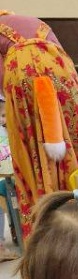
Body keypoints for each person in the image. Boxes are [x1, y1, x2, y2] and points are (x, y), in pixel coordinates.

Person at [0, 11, 78, 237]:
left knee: (34, 151)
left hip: (22, 76)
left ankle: (51, 220)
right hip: (63, 72)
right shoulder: (32, 22)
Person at [0, 95, 16, 262]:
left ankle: (16, 231)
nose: (2, 119)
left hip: (9, 177)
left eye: (4, 115)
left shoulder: (9, 130)